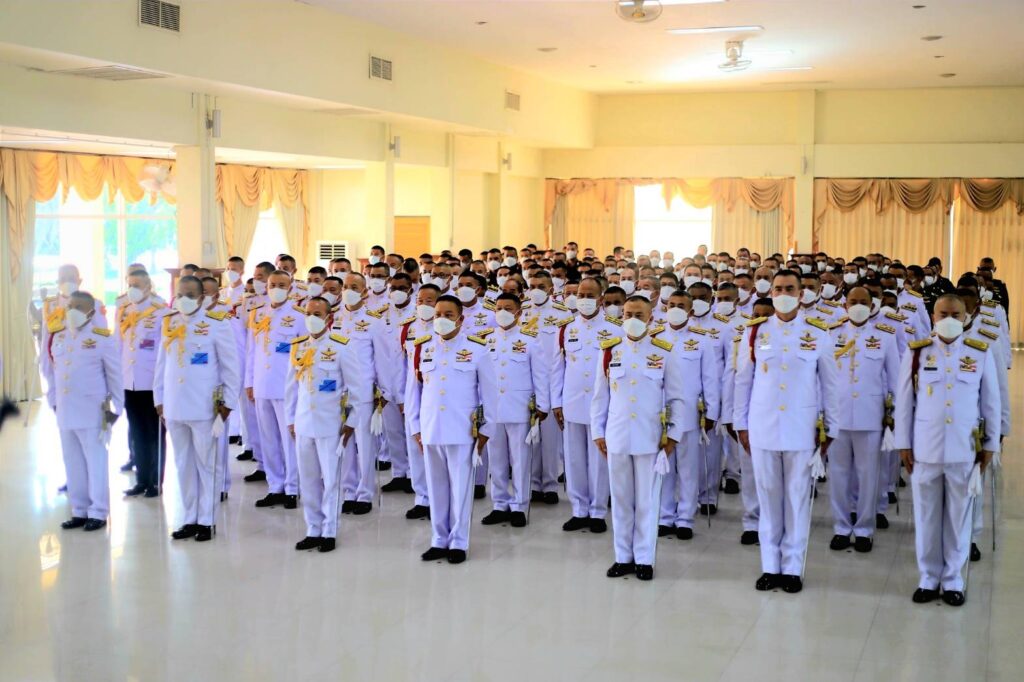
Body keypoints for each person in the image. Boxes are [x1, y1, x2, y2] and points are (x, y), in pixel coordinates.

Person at [734, 269, 839, 594]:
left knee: (796, 499)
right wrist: (741, 424)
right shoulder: (755, 331)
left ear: (802, 293)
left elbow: (830, 384)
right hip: (763, 426)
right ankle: (770, 566)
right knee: (768, 498)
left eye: (789, 288)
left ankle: (792, 568)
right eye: (778, 288)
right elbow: (743, 381)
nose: (782, 294)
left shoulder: (818, 333)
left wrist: (830, 427)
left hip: (800, 428)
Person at [895, 294, 1001, 606]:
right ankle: (928, 578)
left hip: (964, 449)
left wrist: (990, 444)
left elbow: (990, 403)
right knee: (926, 517)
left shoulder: (979, 352)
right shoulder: (917, 352)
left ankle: (953, 579)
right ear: (933, 316)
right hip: (925, 448)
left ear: (966, 317)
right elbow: (904, 403)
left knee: (958, 518)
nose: (949, 319)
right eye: (943, 314)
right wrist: (903, 443)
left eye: (956, 314)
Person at [591, 296, 685, 582]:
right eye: (627, 314)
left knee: (647, 501)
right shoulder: (609, 350)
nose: (632, 319)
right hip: (617, 435)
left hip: (650, 437)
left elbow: (677, 398)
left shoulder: (663, 351)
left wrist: (673, 436)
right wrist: (598, 432)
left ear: (651, 318)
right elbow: (600, 397)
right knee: (620, 499)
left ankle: (644, 558)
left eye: (639, 315)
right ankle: (623, 557)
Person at [405, 295, 497, 564]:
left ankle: (458, 541)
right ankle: (438, 539)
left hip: (462, 430)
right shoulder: (422, 348)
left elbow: (489, 394)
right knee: (436, 487)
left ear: (460, 319)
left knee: (461, 489)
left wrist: (486, 430)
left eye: (448, 315)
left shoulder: (477, 349)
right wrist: (416, 428)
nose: (441, 320)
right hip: (431, 428)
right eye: (437, 315)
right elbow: (413, 393)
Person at [154, 276, 240, 542]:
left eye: (190, 295)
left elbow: (230, 367)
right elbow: (161, 365)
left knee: (207, 464)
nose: (184, 299)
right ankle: (189, 517)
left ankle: (207, 519)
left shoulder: (217, 323)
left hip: (204, 407)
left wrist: (228, 403)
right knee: (183, 464)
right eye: (180, 294)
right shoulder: (169, 322)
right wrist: (159, 399)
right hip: (174, 406)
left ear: (202, 298)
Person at [827, 287, 900, 553]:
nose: (858, 306)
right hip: (837, 416)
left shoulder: (885, 336)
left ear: (872, 305)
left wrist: (893, 414)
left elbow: (895, 379)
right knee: (838, 475)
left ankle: (865, 529)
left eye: (863, 302)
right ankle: (841, 527)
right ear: (845, 305)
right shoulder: (830, 333)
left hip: (871, 416)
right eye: (853, 301)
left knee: (869, 476)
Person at [45, 291, 123, 532]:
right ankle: (79, 510)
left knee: (96, 462)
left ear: (90, 311)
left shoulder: (102, 338)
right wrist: (53, 400)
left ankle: (98, 511)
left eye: (78, 307)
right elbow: (53, 373)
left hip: (93, 412)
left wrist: (116, 409)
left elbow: (115, 376)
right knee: (73, 462)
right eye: (70, 306)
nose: (72, 311)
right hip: (66, 411)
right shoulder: (59, 336)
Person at [550, 277, 618, 533]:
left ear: (601, 299)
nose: (585, 300)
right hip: (573, 402)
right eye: (581, 295)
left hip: (602, 405)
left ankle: (598, 511)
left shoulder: (616, 329)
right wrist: (556, 402)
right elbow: (557, 369)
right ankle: (579, 509)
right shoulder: (566, 329)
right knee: (574, 459)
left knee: (599, 459)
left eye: (590, 295)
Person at [285, 297, 353, 553]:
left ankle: (329, 531)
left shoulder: (341, 346)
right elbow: (291, 389)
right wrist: (290, 420)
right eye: (308, 313)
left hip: (331, 424)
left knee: (332, 480)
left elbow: (356, 389)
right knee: (308, 479)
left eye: (317, 314)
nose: (312, 318)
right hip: (304, 423)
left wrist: (351, 422)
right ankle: (313, 528)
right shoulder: (298, 346)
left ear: (328, 318)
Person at [655, 290, 721, 540]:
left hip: (690, 414)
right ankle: (665, 516)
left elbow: (710, 378)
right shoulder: (655, 337)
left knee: (688, 469)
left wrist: (711, 411)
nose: (675, 309)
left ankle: (685, 518)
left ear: (691, 311)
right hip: (662, 414)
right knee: (664, 467)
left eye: (681, 306)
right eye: (671, 304)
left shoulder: (701, 340)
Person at [479, 293, 549, 527]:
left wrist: (542, 405)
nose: (502, 312)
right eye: (498, 308)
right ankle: (499, 503)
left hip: (520, 408)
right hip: (492, 410)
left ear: (518, 312)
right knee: (496, 459)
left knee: (520, 459)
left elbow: (540, 375)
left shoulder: (530, 340)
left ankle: (519, 505)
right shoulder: (485, 339)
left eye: (508, 308)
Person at [332, 272, 392, 514]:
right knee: (343, 441)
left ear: (365, 291)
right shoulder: (334, 317)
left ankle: (365, 493)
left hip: (364, 390)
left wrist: (384, 390)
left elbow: (382, 359)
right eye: (346, 286)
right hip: (339, 390)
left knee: (365, 443)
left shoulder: (374, 320)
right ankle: (348, 490)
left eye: (355, 287)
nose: (349, 290)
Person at [245, 270, 306, 509]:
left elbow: (304, 355)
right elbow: (251, 351)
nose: (276, 289)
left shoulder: (299, 316)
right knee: (268, 439)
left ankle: (292, 488)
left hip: (286, 387)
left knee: (289, 439)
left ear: (290, 288)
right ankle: (275, 486)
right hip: (262, 384)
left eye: (282, 285)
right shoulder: (258, 313)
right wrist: (249, 382)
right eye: (272, 284)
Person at [117, 270, 169, 498]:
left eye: (137, 284)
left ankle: (155, 481)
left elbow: (165, 351)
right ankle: (141, 479)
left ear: (148, 286)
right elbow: (119, 346)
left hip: (151, 383)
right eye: (129, 284)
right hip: (129, 382)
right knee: (137, 433)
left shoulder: (161, 312)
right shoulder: (124, 311)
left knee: (154, 434)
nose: (132, 289)